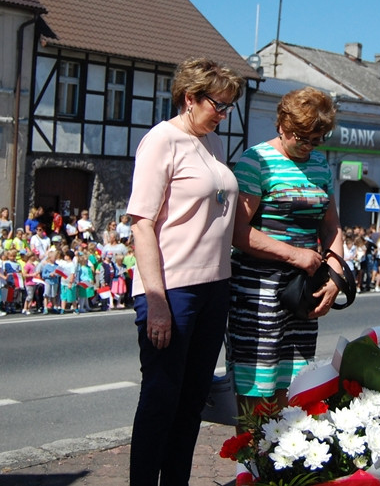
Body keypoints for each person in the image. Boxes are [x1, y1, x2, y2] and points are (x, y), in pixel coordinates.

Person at [126, 57, 244, 486]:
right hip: (173, 289)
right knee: (161, 397)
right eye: (219, 105)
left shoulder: (209, 143)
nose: (224, 114)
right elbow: (142, 224)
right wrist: (156, 301)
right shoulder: (162, 140)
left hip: (214, 286)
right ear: (190, 98)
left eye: (229, 106)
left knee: (192, 400)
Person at [228, 87, 344, 422]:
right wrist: (294, 255)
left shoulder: (320, 166)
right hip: (258, 288)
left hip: (301, 289)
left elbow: (332, 226)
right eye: (301, 138)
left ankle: (283, 465)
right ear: (282, 124)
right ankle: (251, 466)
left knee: (293, 383)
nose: (307, 147)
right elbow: (238, 232)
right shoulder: (256, 161)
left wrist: (334, 273)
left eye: (316, 140)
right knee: (256, 388)